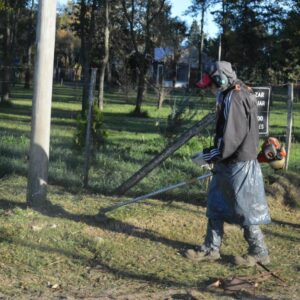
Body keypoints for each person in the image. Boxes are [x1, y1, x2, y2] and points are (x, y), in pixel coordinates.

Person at [186, 61, 271, 267]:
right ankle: (210, 248)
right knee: (216, 203)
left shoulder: (234, 98)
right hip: (227, 161)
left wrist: (209, 156)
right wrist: (214, 156)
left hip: (239, 162)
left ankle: (259, 251)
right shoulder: (231, 93)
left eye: (210, 85)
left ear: (220, 80)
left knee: (245, 209)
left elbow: (230, 140)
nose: (209, 89)